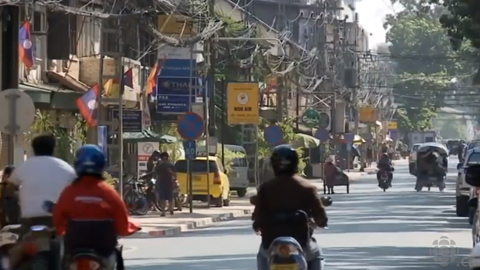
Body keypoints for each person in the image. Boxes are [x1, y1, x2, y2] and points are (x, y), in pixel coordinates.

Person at [53, 145, 140, 270]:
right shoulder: (109, 193)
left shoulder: (69, 192)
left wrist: (61, 229)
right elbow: (122, 225)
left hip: (73, 250)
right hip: (104, 251)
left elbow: (57, 219)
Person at [253, 144, 328, 270]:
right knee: (316, 254)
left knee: (262, 256)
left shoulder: (266, 188)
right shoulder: (307, 187)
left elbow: (257, 216)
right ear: (295, 163)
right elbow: (321, 218)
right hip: (302, 243)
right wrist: (319, 222)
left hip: (270, 242)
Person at [8, 134, 76, 231]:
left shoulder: (24, 166)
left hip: (29, 220)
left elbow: (9, 187)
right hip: (58, 220)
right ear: (53, 149)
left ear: (33, 149)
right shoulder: (66, 167)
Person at [154, 152, 176, 216]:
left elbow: (175, 174)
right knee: (165, 198)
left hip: (167, 183)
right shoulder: (160, 166)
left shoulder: (170, 165)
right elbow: (155, 174)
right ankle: (165, 211)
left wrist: (171, 172)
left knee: (167, 198)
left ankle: (169, 210)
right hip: (164, 183)